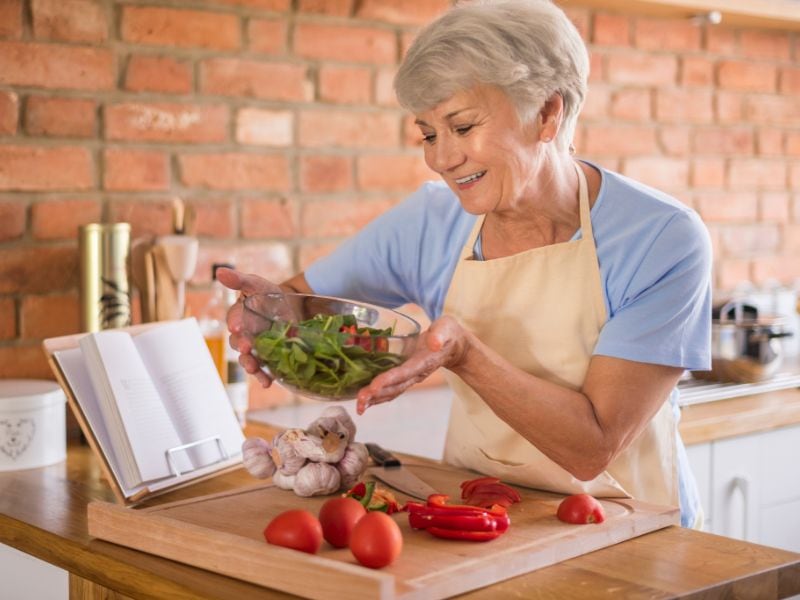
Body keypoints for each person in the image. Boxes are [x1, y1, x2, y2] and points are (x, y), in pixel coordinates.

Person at [219, 0, 711, 528]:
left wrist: (465, 354)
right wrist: (266, 318)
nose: (442, 158)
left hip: (630, 528)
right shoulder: (429, 223)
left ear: (548, 113)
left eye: (462, 126)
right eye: (429, 133)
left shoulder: (660, 238)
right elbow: (302, 306)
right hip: (477, 516)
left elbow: (593, 447)